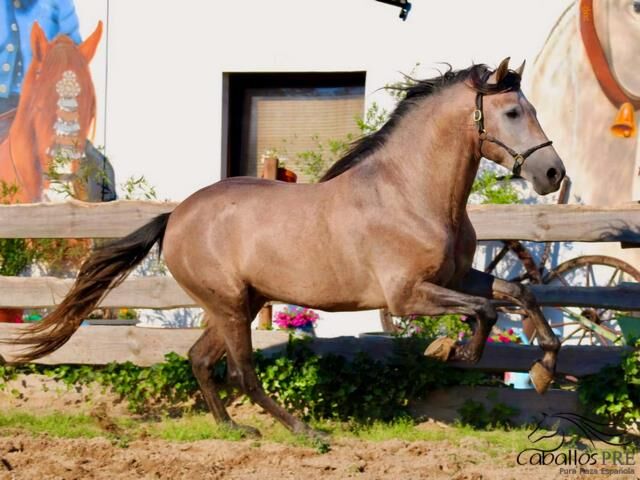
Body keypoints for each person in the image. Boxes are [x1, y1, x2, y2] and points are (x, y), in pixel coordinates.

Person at [0, 0, 116, 201]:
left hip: (48, 109)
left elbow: (75, 59)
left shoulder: (59, 4)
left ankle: (108, 227)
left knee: (99, 169)